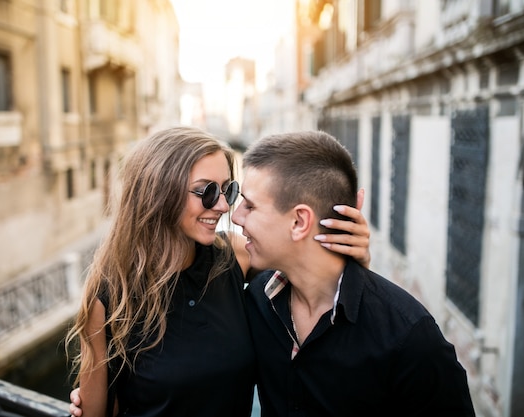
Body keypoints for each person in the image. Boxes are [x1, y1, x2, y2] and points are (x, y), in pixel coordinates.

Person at [65, 126, 371, 417]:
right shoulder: (109, 294)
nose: (224, 206)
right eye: (207, 192)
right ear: (158, 193)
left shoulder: (234, 256)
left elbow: (309, 275)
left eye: (228, 190)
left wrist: (351, 256)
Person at [234, 130, 475, 416]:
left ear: (300, 221)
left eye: (250, 205)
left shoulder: (410, 338)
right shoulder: (257, 302)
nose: (236, 216)